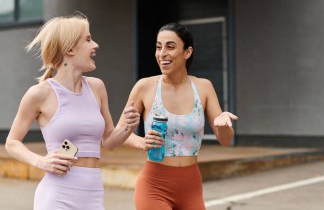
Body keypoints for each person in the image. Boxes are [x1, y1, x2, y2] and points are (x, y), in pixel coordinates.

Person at [5, 14, 140, 210]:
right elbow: (11, 142)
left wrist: (128, 127)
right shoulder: (39, 94)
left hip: (93, 194)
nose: (95, 45)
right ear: (69, 49)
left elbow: (109, 140)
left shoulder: (97, 87)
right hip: (57, 196)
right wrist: (41, 161)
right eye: (87, 39)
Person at [120, 23, 238, 210]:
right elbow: (121, 132)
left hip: (191, 187)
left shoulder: (204, 87)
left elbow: (225, 140)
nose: (162, 53)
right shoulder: (144, 87)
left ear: (187, 52)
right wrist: (141, 143)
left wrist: (224, 127)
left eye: (170, 46)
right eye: (159, 47)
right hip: (154, 186)